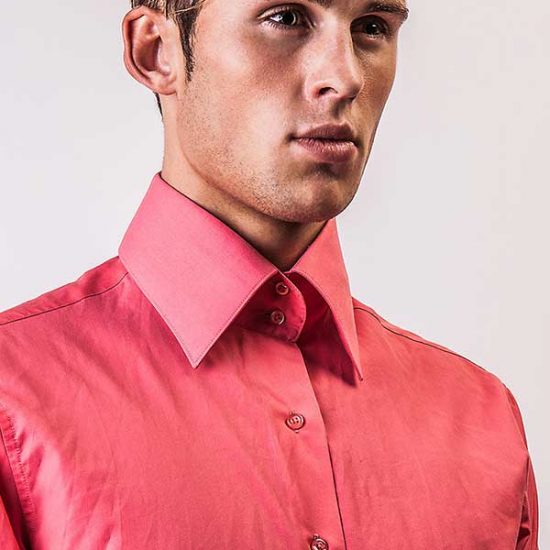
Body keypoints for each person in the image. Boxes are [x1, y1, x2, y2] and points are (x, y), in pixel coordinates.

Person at [0, 0, 539, 548]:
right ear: (157, 51)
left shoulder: (483, 421)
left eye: (372, 27)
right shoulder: (12, 404)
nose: (346, 77)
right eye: (286, 18)